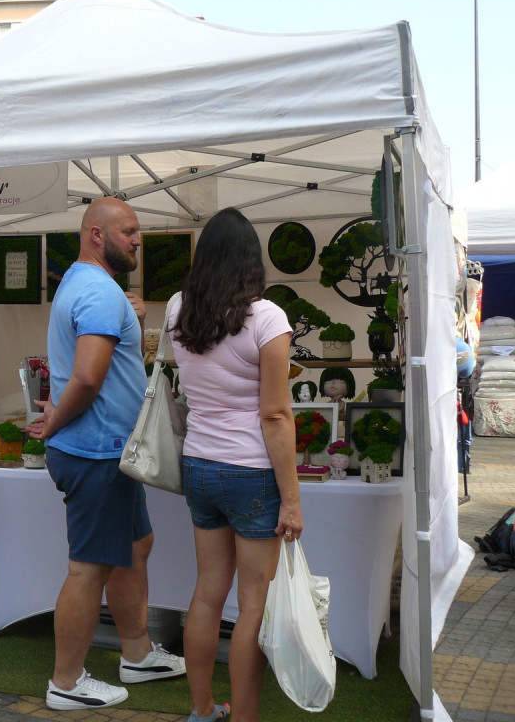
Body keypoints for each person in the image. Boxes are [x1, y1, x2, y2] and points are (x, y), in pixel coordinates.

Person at [26, 197, 185, 712]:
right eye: (129, 231)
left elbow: (94, 370)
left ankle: (137, 654)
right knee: (88, 569)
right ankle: (66, 683)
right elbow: (89, 377)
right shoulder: (96, 291)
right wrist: (55, 419)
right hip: (97, 453)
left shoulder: (90, 284)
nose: (138, 239)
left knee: (137, 546)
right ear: (97, 234)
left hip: (113, 452)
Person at [168, 207, 303, 722]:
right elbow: (275, 414)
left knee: (206, 594)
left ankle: (203, 709)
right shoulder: (267, 319)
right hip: (250, 472)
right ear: (253, 260)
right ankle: (244, 715)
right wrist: (291, 500)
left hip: (198, 465)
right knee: (252, 606)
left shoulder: (180, 308)